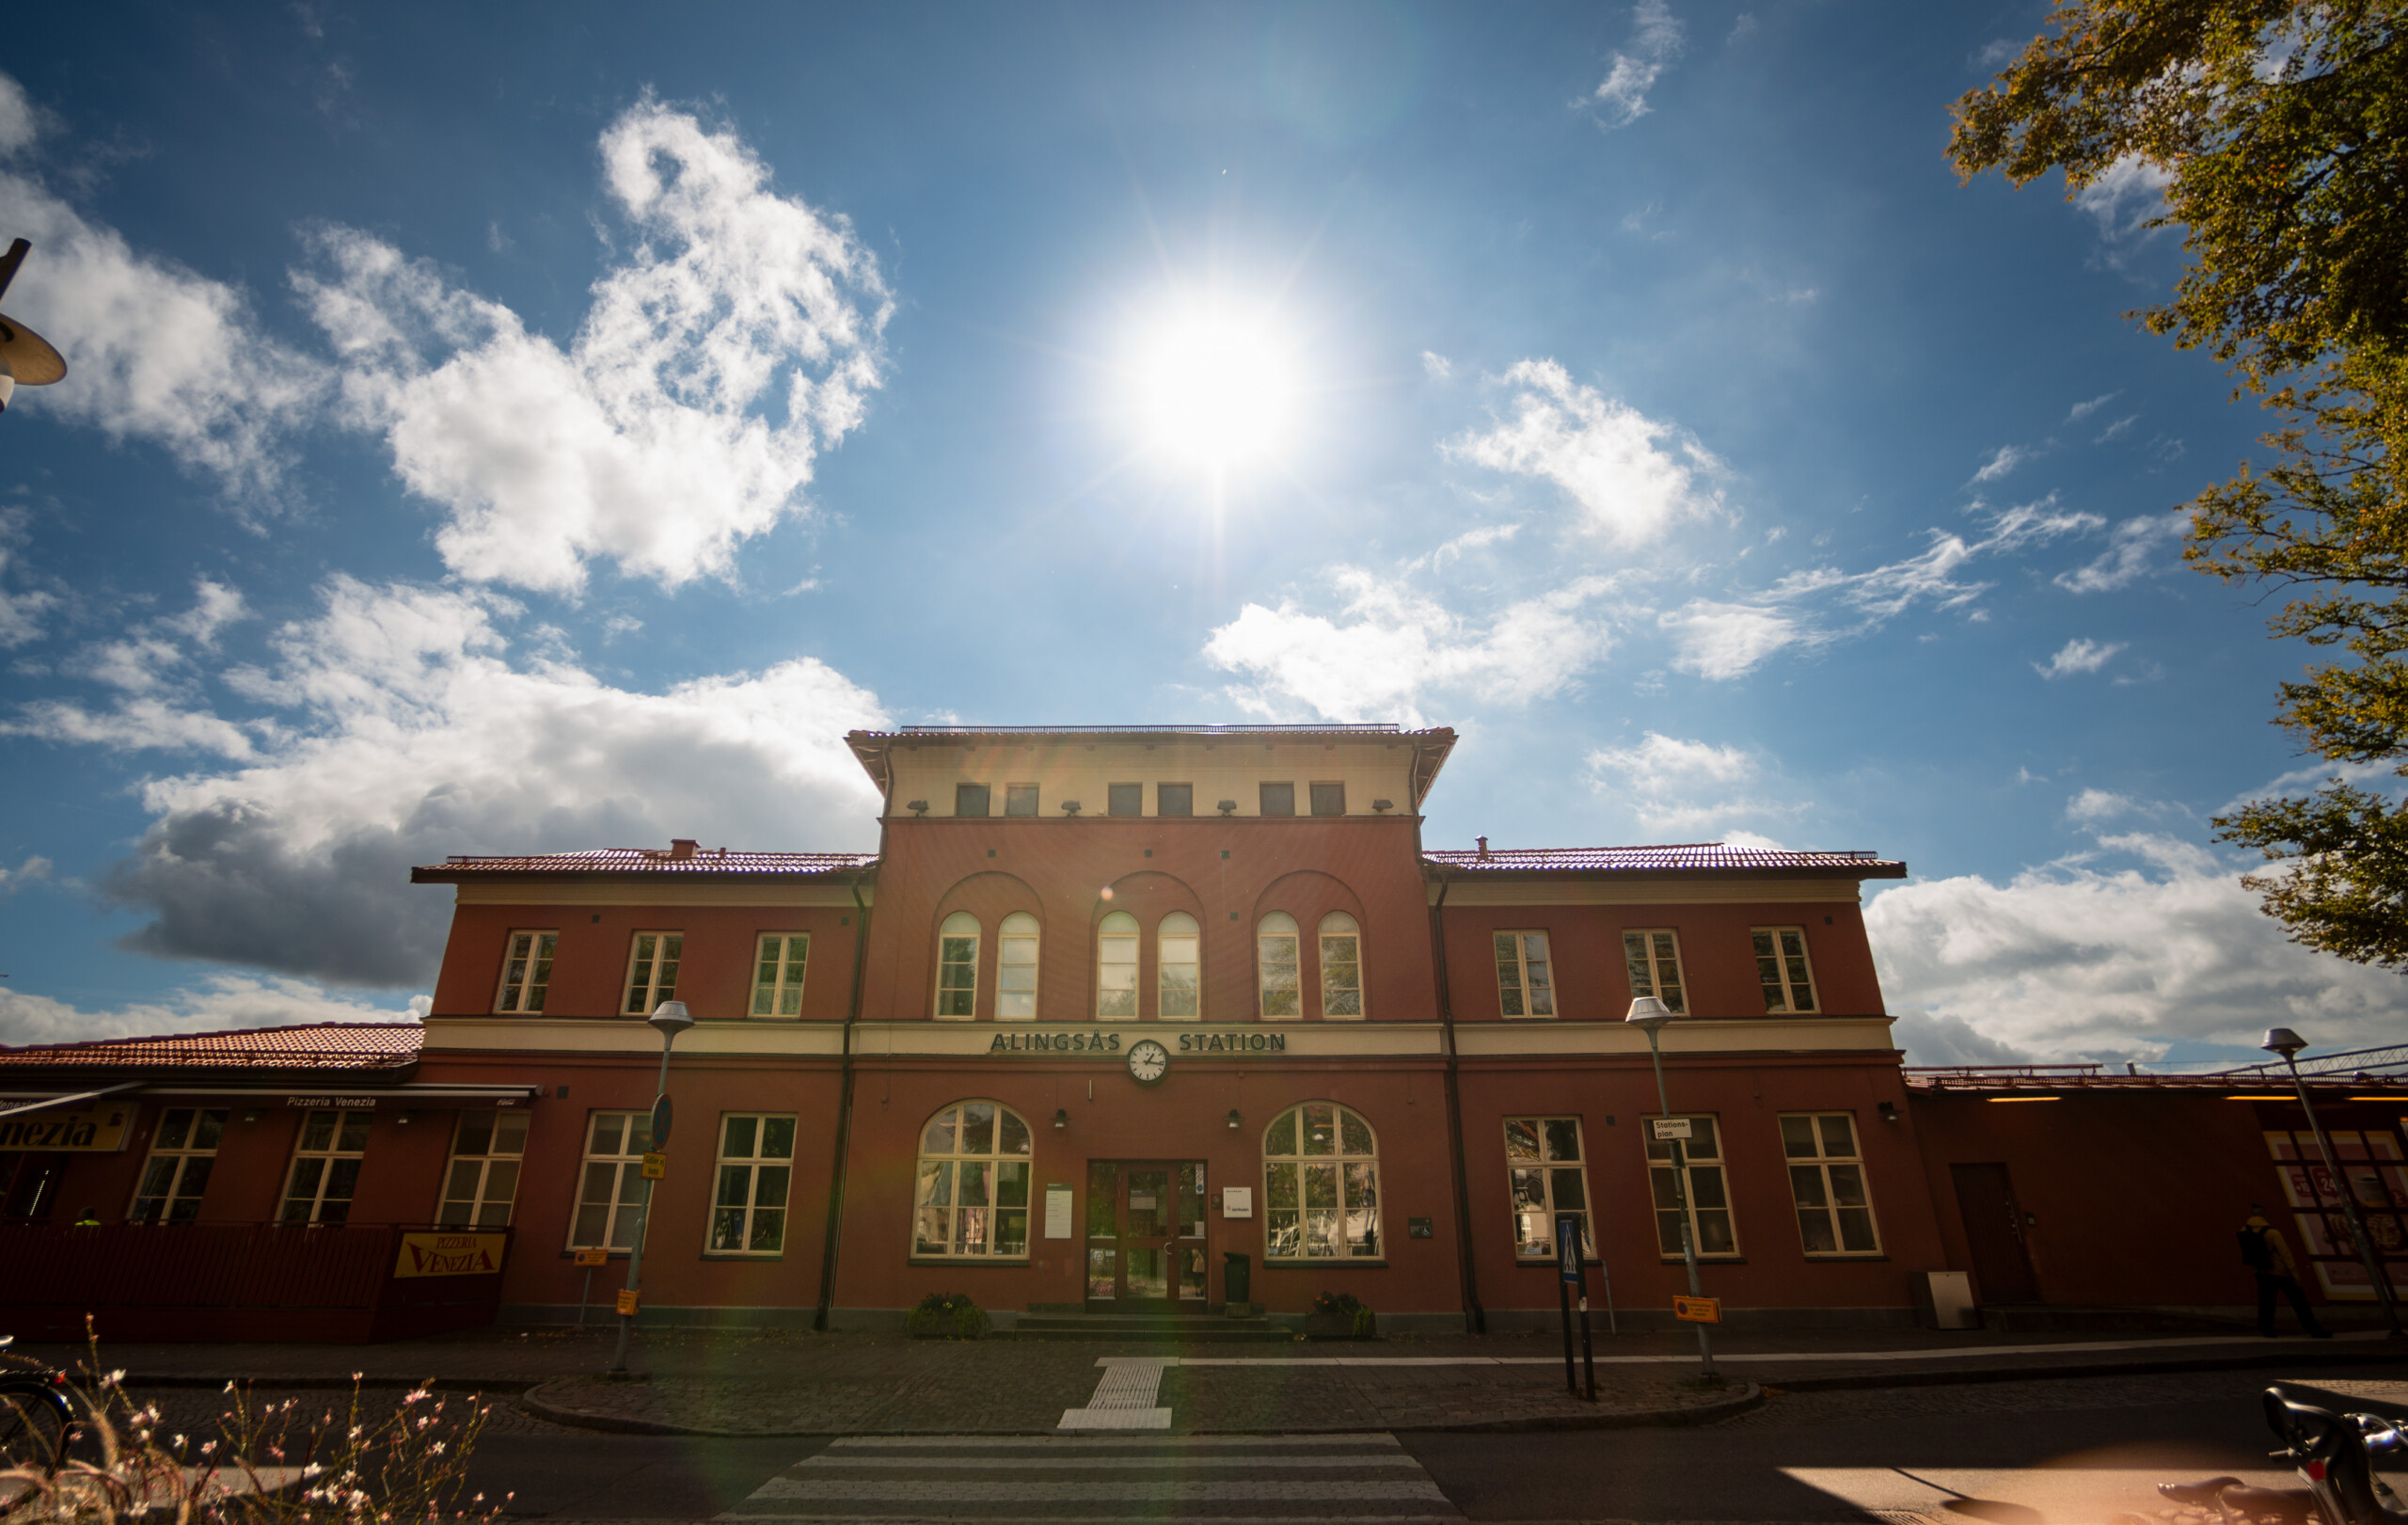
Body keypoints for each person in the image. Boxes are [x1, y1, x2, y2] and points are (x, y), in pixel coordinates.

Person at [2241, 1204, 2332, 1338]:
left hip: (2261, 1273)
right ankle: (2312, 1328)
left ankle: (2266, 1328)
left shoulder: (2245, 1230)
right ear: (2264, 1215)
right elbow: (2286, 1254)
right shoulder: (2273, 1233)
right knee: (2299, 1303)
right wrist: (2295, 1275)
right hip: (2281, 1272)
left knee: (2266, 1303)